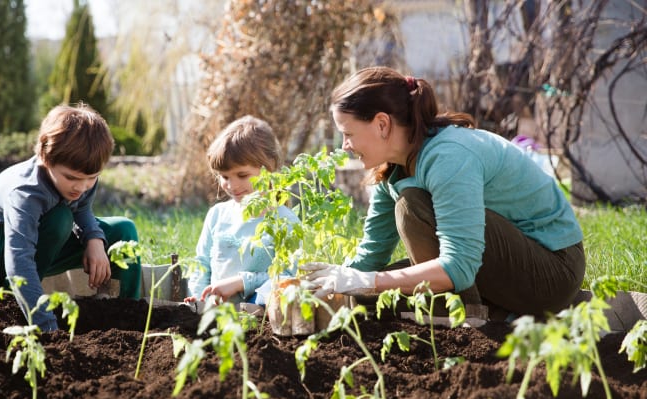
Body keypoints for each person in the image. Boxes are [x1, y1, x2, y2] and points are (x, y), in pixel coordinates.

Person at [301, 66, 585, 320]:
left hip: (551, 272)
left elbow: (459, 265)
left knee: (410, 207)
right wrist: (331, 283)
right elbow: (370, 258)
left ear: (382, 124)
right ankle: (489, 310)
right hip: (495, 263)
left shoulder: (448, 157)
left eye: (348, 133)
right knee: (363, 297)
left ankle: (465, 312)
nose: (344, 145)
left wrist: (370, 281)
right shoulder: (392, 168)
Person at [0, 104, 142, 332]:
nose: (81, 187)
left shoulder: (82, 175)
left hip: (37, 241)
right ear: (45, 156)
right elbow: (19, 262)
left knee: (124, 230)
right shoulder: (26, 193)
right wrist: (48, 329)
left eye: (91, 178)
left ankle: (130, 317)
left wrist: (94, 239)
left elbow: (81, 208)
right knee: (60, 219)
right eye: (72, 178)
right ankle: (12, 303)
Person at [184, 115, 299, 305]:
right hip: (215, 315)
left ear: (268, 168)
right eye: (224, 177)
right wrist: (198, 299)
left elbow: (288, 278)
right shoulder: (218, 215)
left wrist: (241, 283)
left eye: (242, 175)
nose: (232, 185)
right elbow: (201, 264)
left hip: (259, 319)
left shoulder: (284, 221)